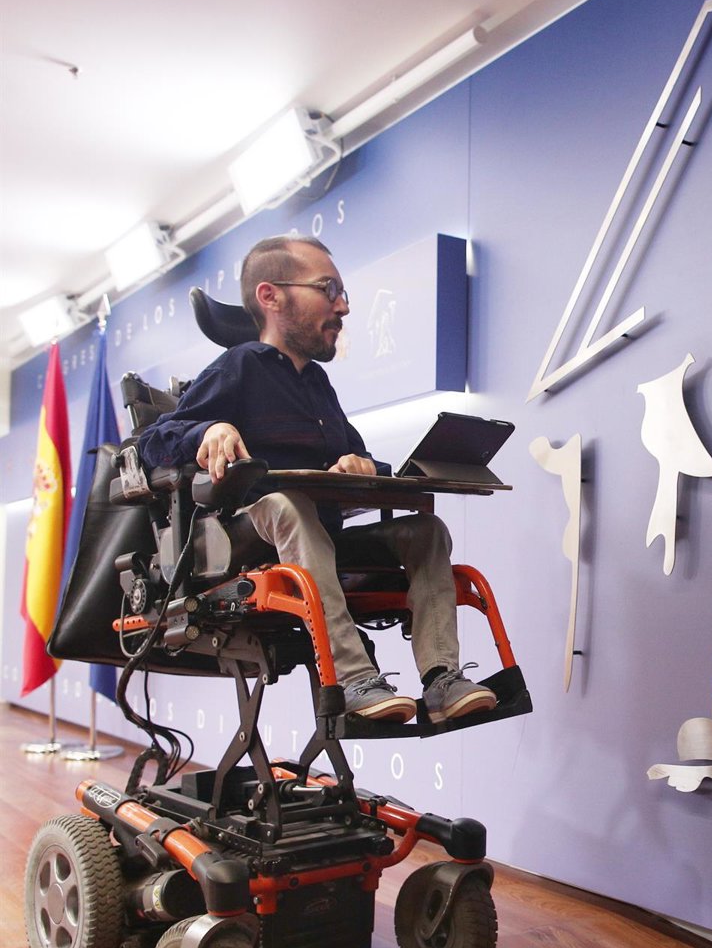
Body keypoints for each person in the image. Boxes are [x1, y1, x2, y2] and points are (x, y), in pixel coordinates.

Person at [137, 235, 497, 724]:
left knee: (425, 531)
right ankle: (355, 679)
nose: (343, 306)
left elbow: (360, 459)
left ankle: (442, 680)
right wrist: (210, 429)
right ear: (271, 296)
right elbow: (153, 441)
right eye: (329, 289)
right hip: (247, 544)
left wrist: (359, 464)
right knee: (288, 505)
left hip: (320, 544)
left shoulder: (317, 384)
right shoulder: (240, 365)